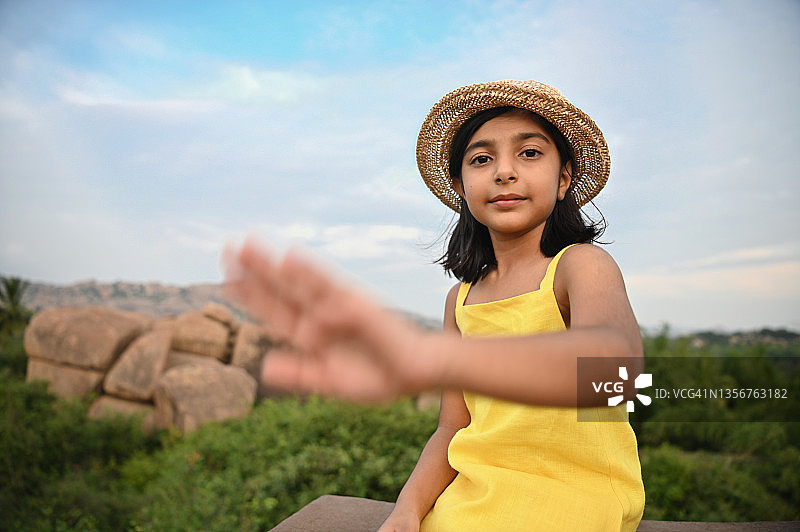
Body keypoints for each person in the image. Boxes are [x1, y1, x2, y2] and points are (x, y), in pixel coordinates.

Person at [224, 80, 645, 531]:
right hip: (472, 497)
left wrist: (431, 358)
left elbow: (616, 373)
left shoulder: (580, 266)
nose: (504, 172)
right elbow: (451, 430)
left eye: (529, 153)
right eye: (481, 159)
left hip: (571, 498)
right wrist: (406, 509)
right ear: (462, 187)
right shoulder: (461, 299)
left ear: (563, 179)